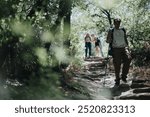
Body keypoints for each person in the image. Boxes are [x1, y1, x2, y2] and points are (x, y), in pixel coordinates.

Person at [106, 18, 132, 86]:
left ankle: (123, 76)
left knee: (128, 59)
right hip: (116, 49)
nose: (118, 24)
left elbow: (125, 38)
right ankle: (117, 79)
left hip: (124, 48)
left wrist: (128, 48)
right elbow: (107, 41)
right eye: (116, 23)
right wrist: (109, 37)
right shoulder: (111, 30)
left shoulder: (123, 29)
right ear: (114, 23)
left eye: (119, 23)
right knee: (117, 64)